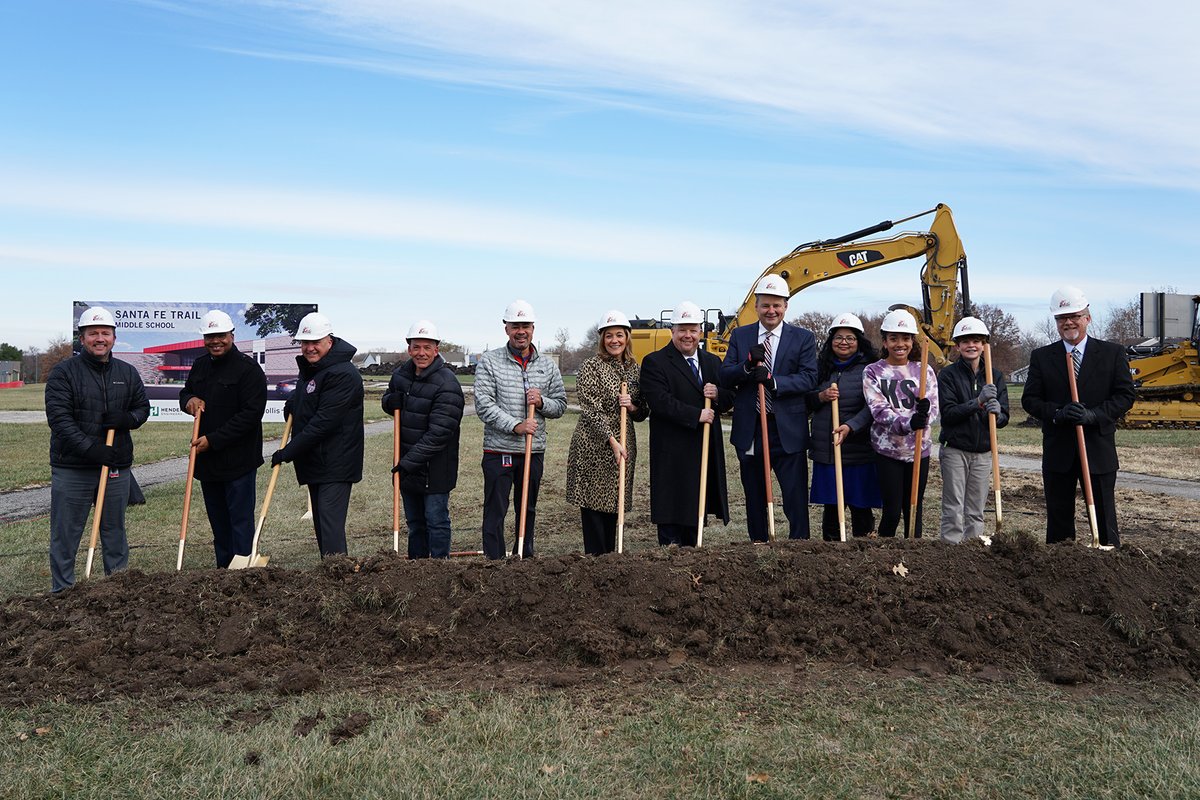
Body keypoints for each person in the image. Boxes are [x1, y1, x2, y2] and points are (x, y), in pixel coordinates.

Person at [45, 306, 149, 591]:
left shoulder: (127, 373)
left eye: (105, 333)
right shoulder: (63, 373)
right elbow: (60, 420)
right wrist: (92, 449)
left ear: (114, 337)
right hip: (73, 467)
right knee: (66, 533)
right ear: (82, 338)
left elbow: (142, 408)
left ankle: (115, 590)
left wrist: (129, 418)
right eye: (93, 334)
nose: (99, 338)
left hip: (115, 465)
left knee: (114, 531)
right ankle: (63, 592)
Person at [1022, 286, 1135, 547]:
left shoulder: (1112, 353)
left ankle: (1109, 562)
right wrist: (1058, 414)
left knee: (1105, 514)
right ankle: (1061, 566)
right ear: (1056, 322)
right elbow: (1030, 399)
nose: (1069, 322)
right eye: (1062, 318)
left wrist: (1094, 415)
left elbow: (1124, 396)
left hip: (1098, 448)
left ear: (1088, 317)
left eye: (1075, 316)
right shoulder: (1042, 357)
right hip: (1059, 449)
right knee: (1059, 516)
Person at [720, 275, 818, 541]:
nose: (771, 311)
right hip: (751, 428)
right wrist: (746, 369)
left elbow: (810, 377)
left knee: (795, 495)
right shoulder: (740, 336)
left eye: (777, 305)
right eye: (765, 305)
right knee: (754, 495)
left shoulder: (803, 338)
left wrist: (774, 381)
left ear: (786, 306)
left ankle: (799, 546)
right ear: (756, 305)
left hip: (787, 429)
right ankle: (759, 544)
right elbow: (725, 375)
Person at [474, 300, 568, 559]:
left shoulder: (547, 365)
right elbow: (483, 405)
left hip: (533, 451)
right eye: (515, 326)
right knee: (496, 509)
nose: (520, 331)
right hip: (498, 450)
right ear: (506, 328)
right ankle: (494, 561)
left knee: (528, 508)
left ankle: (523, 558)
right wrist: (516, 425)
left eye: (525, 325)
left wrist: (541, 402)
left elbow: (560, 405)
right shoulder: (490, 361)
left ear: (533, 328)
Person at [270, 312, 364, 557]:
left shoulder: (343, 373)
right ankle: (329, 572)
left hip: (336, 461)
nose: (309, 348)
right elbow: (309, 405)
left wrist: (287, 452)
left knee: (330, 522)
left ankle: (338, 575)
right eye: (305, 343)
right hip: (316, 460)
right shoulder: (312, 370)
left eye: (315, 342)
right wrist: (294, 405)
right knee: (322, 522)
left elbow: (324, 422)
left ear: (329, 341)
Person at [179, 310, 268, 567]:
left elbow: (250, 415)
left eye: (220, 336)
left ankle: (242, 572)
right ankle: (223, 571)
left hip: (239, 460)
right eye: (209, 337)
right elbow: (187, 393)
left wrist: (214, 440)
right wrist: (189, 401)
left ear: (232, 335)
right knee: (218, 521)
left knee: (240, 521)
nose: (215, 341)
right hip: (208, 462)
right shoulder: (200, 364)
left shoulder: (248, 370)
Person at [640, 302, 734, 546]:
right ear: (672, 331)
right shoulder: (655, 362)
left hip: (703, 447)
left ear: (700, 332)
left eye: (692, 330)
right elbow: (660, 402)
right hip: (672, 449)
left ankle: (694, 554)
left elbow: (730, 398)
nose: (687, 336)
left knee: (696, 507)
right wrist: (696, 415)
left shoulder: (712, 362)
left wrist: (718, 395)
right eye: (682, 330)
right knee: (672, 509)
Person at [565, 310, 649, 554]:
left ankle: (610, 558)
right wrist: (611, 440)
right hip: (594, 444)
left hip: (625, 441)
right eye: (609, 335)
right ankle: (595, 557)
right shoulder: (591, 366)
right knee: (593, 503)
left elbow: (643, 411)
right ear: (601, 339)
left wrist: (631, 405)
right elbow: (591, 409)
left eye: (619, 335)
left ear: (627, 338)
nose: (615, 340)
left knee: (615, 501)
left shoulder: (635, 369)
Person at [381, 320, 465, 559]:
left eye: (427, 347)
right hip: (408, 464)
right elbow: (390, 400)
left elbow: (439, 433)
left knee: (436, 521)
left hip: (435, 468)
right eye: (416, 347)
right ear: (409, 349)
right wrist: (389, 402)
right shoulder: (401, 375)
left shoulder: (447, 383)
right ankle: (416, 570)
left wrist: (407, 463)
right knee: (415, 523)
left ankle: (439, 568)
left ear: (436, 350)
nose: (421, 353)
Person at [805, 312, 882, 540]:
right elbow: (804, 400)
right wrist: (821, 396)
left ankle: (863, 550)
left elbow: (873, 407)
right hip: (828, 450)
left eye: (850, 338)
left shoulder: (869, 369)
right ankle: (831, 554)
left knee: (860, 506)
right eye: (838, 337)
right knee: (831, 507)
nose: (844, 342)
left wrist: (851, 426)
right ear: (831, 341)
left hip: (858, 450)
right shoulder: (820, 368)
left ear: (859, 341)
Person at [862, 309, 939, 538]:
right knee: (893, 511)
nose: (900, 344)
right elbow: (878, 410)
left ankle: (914, 558)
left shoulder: (924, 370)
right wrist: (908, 422)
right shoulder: (873, 372)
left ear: (912, 341)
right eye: (893, 338)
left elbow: (933, 407)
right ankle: (885, 556)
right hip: (888, 451)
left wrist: (924, 418)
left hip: (919, 451)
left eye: (905, 338)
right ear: (884, 341)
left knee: (914, 509)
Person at [937, 316, 1010, 544]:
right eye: (966, 341)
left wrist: (998, 413)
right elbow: (948, 414)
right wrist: (977, 402)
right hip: (955, 449)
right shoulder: (948, 375)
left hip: (983, 452)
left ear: (983, 345)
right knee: (953, 506)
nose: (971, 345)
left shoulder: (995, 376)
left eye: (976, 341)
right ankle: (951, 550)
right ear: (958, 346)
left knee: (976, 508)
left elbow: (1004, 417)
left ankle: (973, 551)